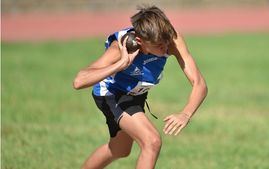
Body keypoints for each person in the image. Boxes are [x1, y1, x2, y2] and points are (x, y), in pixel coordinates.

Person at [73, 5, 207, 169]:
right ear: (139, 41)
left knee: (119, 150)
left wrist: (186, 114)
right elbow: (79, 81)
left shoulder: (171, 39)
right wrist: (120, 64)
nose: (165, 47)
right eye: (159, 45)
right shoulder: (120, 48)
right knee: (152, 141)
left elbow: (199, 84)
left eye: (166, 41)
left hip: (135, 94)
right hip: (112, 93)